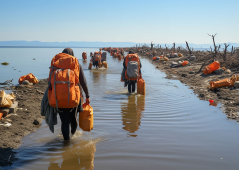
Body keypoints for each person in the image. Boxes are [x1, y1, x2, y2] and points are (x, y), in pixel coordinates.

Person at [55, 48, 90, 140]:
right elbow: (83, 82)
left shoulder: (56, 64)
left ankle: (66, 142)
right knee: (73, 119)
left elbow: (51, 82)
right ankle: (72, 137)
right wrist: (87, 95)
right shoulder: (76, 64)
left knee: (64, 122)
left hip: (59, 97)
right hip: (74, 96)